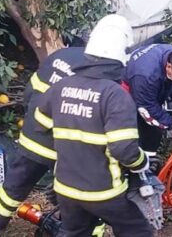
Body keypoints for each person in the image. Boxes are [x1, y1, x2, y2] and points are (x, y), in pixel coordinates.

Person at [37, 14, 153, 236]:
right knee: (137, 230)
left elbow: (41, 124)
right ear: (120, 55)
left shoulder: (62, 87)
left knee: (75, 232)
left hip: (65, 189)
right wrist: (142, 162)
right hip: (103, 192)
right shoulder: (114, 95)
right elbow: (123, 149)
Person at [0, 46, 87, 236]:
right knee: (74, 193)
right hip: (66, 146)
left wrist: (32, 118)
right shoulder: (105, 73)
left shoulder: (60, 55)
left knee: (16, 182)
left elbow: (29, 92)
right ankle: (69, 226)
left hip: (35, 135)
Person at [124, 44, 172, 171]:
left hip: (151, 86)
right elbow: (147, 107)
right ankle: (134, 168)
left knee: (154, 132)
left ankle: (149, 164)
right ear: (168, 66)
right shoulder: (146, 74)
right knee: (135, 132)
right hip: (129, 92)